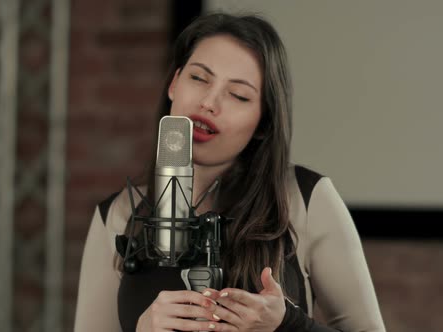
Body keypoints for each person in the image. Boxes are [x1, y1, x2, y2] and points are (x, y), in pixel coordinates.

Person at [74, 12, 386, 332]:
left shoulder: (304, 199)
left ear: (263, 123)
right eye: (199, 78)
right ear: (173, 84)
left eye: (238, 95)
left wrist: (286, 325)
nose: (210, 102)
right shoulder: (119, 214)